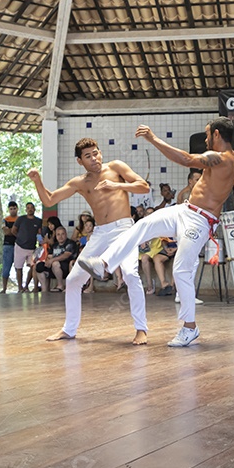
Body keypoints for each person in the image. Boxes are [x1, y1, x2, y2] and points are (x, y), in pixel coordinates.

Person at [79, 117, 234, 347]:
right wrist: (228, 182)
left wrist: (153, 138)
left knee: (181, 270)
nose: (206, 138)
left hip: (200, 221)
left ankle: (190, 328)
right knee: (143, 225)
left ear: (218, 134)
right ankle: (105, 264)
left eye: (208, 134)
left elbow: (186, 159)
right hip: (184, 210)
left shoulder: (219, 157)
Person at [27, 138, 150, 344]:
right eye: (88, 156)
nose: (94, 159)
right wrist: (38, 180)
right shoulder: (79, 183)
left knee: (130, 273)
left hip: (124, 228)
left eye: (96, 153)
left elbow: (143, 186)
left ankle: (141, 329)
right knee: (73, 280)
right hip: (101, 233)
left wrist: (116, 185)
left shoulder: (116, 167)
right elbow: (49, 200)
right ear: (79, 161)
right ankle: (69, 329)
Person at [35, 226, 77, 293]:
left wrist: (52, 260)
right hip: (54, 268)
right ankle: (44, 289)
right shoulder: (54, 245)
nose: (60, 236)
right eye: (58, 234)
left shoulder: (70, 243)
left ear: (66, 234)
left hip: (66, 267)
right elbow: (49, 256)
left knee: (55, 263)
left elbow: (66, 255)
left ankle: (60, 286)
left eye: (62, 234)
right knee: (39, 266)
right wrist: (47, 262)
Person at [12, 202, 42, 292]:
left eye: (31, 207)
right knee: (18, 267)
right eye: (28, 208)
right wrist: (20, 238)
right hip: (20, 246)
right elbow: (13, 230)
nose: (30, 209)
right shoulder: (21, 219)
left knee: (33, 267)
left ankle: (27, 286)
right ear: (26, 210)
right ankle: (20, 288)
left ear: (34, 209)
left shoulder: (38, 221)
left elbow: (39, 233)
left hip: (32, 248)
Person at [0, 201, 19, 292]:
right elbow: (6, 232)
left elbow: (21, 232)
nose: (13, 210)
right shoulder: (5, 220)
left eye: (14, 208)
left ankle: (20, 288)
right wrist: (14, 231)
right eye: (11, 209)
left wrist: (11, 230)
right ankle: (4, 288)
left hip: (18, 246)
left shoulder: (20, 219)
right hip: (8, 246)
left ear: (17, 209)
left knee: (18, 267)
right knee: (6, 268)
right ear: (8, 209)